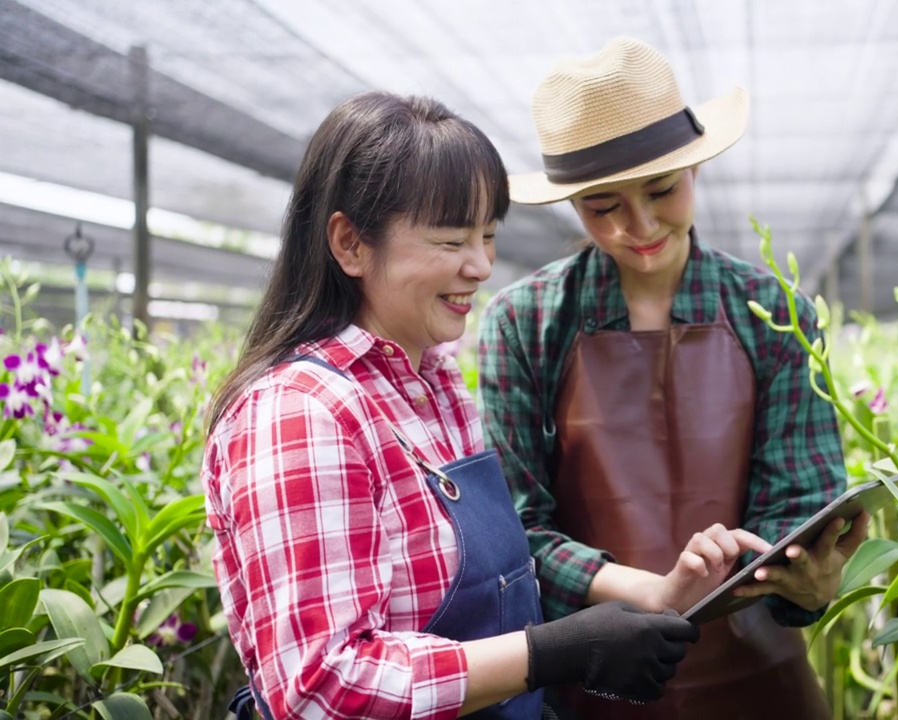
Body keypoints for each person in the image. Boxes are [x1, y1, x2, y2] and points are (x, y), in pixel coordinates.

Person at [201, 91, 719, 720]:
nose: (480, 265)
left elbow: (488, 577)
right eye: (451, 241)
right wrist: (547, 654)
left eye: (488, 235)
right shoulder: (300, 413)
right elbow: (320, 685)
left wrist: (646, 596)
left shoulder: (434, 386)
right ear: (350, 244)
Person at [478, 37, 868, 720]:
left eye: (662, 189)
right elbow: (516, 530)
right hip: (593, 679)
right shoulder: (527, 321)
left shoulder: (774, 313)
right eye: (604, 207)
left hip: (760, 680)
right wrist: (651, 590)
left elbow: (800, 498)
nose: (642, 224)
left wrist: (806, 576)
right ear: (573, 206)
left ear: (694, 167)